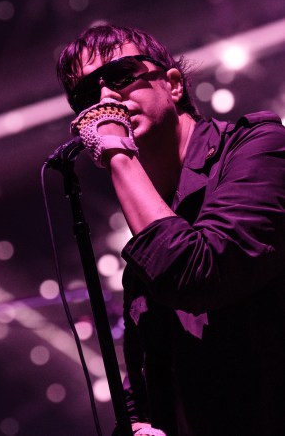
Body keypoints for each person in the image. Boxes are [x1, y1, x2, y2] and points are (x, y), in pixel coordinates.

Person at [56, 24, 285, 436]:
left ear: (174, 85)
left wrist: (117, 154)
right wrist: (138, 425)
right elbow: (147, 382)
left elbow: (198, 274)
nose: (106, 98)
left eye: (122, 74)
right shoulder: (146, 243)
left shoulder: (261, 146)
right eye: (87, 95)